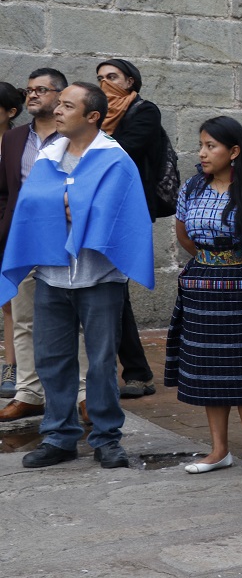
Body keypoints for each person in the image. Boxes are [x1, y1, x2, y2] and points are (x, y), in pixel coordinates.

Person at [0, 82, 154, 469]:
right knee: (52, 359)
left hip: (100, 278)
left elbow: (122, 213)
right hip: (52, 275)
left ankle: (106, 439)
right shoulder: (49, 155)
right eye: (60, 104)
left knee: (101, 362)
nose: (58, 110)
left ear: (93, 117)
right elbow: (32, 204)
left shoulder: (115, 158)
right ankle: (59, 437)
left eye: (68, 105)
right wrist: (66, 204)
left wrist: (75, 206)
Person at [163, 116, 242, 475]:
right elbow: (184, 235)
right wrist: (207, 261)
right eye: (201, 145)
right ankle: (218, 450)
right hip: (201, 289)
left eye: (210, 146)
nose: (202, 153)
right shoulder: (192, 188)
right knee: (209, 370)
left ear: (234, 151)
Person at [0, 68, 89, 423]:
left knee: (75, 319)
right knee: (22, 318)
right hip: (22, 240)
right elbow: (5, 191)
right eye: (28, 89)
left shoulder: (76, 137)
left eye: (41, 89)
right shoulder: (13, 138)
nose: (32, 95)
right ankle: (30, 392)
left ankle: (83, 393)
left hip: (66, 241)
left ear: (59, 96)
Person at [95, 59, 160, 399]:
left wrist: (89, 134)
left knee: (114, 289)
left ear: (130, 81)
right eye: (100, 78)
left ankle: (137, 372)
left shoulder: (144, 111)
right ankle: (135, 372)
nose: (105, 84)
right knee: (112, 290)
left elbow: (123, 150)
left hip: (129, 209)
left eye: (112, 77)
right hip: (99, 208)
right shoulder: (96, 118)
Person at [0, 81, 24, 398]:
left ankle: (12, 365)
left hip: (7, 226)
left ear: (10, 112)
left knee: (10, 303)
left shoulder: (14, 145)